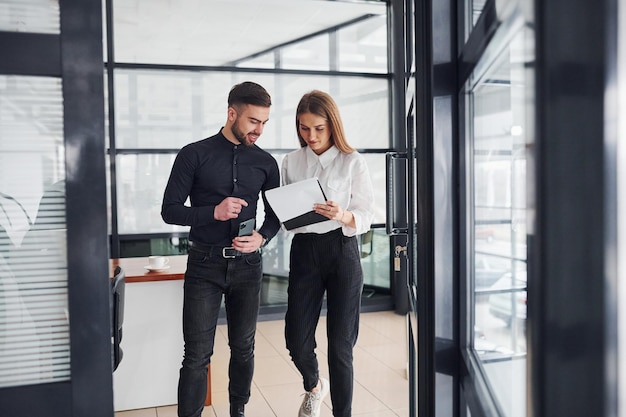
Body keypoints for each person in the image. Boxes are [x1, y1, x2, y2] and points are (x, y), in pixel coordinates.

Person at [161, 81, 281, 417]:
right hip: (204, 265)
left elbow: (274, 215)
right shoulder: (194, 154)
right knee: (197, 354)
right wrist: (211, 212)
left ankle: (237, 411)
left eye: (264, 123)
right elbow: (169, 209)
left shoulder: (266, 163)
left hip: (247, 266)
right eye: (253, 121)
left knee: (244, 348)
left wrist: (262, 237)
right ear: (232, 114)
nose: (259, 130)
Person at [281, 90, 375, 417]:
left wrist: (342, 214)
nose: (312, 136)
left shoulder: (353, 161)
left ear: (332, 125)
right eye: (305, 128)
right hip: (305, 251)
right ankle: (314, 386)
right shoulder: (291, 162)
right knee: (296, 339)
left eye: (319, 128)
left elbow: (365, 214)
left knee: (340, 348)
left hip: (342, 251)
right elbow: (286, 218)